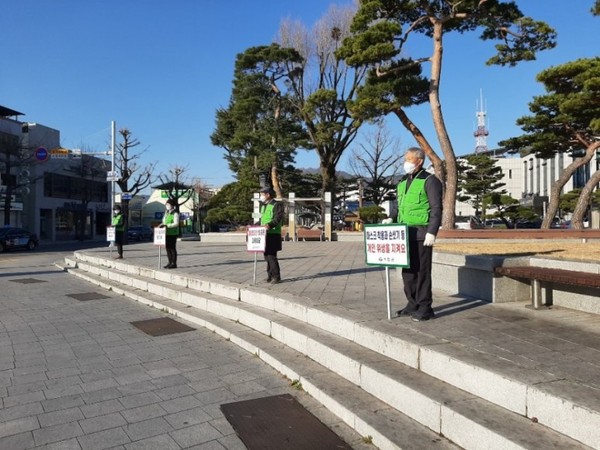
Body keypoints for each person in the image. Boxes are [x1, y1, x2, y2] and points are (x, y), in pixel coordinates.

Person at [396, 147, 443, 321]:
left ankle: (425, 307)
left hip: (422, 233)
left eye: (409, 159)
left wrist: (432, 231)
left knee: (422, 271)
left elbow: (436, 208)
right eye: (404, 159)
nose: (405, 163)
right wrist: (390, 219)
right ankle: (412, 303)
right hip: (403, 234)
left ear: (419, 161)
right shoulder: (402, 181)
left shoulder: (430, 181)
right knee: (408, 271)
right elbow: (401, 207)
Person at [260, 187, 283, 284]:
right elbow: (262, 220)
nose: (261, 197)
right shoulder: (264, 206)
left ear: (268, 194)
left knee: (271, 256)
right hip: (264, 234)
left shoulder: (276, 205)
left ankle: (276, 277)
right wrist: (253, 225)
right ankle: (269, 275)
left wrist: (269, 225)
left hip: (273, 234)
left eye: (262, 194)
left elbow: (278, 218)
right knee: (266, 256)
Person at [160, 199, 179, 269]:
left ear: (172, 205)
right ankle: (169, 262)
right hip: (166, 233)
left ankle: (174, 263)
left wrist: (167, 225)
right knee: (167, 248)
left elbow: (176, 223)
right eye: (166, 204)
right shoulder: (166, 213)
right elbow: (164, 221)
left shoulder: (175, 213)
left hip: (173, 233)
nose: (167, 206)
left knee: (172, 248)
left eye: (168, 204)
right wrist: (161, 225)